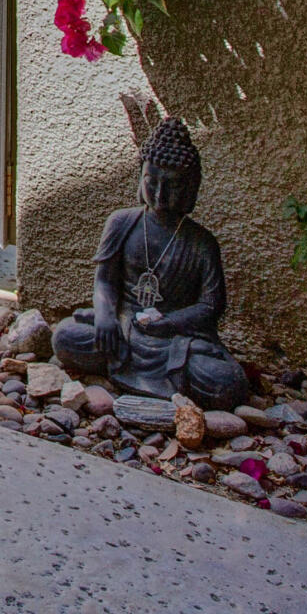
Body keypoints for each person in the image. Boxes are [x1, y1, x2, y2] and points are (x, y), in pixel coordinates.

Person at [52, 116, 251, 406]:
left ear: (191, 187)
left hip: (175, 341)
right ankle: (144, 373)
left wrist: (168, 322)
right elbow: (105, 279)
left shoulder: (202, 243)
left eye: (171, 186)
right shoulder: (121, 222)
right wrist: (106, 316)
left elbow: (211, 305)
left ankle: (132, 373)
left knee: (227, 381)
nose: (159, 195)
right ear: (140, 177)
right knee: (65, 336)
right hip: (123, 326)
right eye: (151, 182)